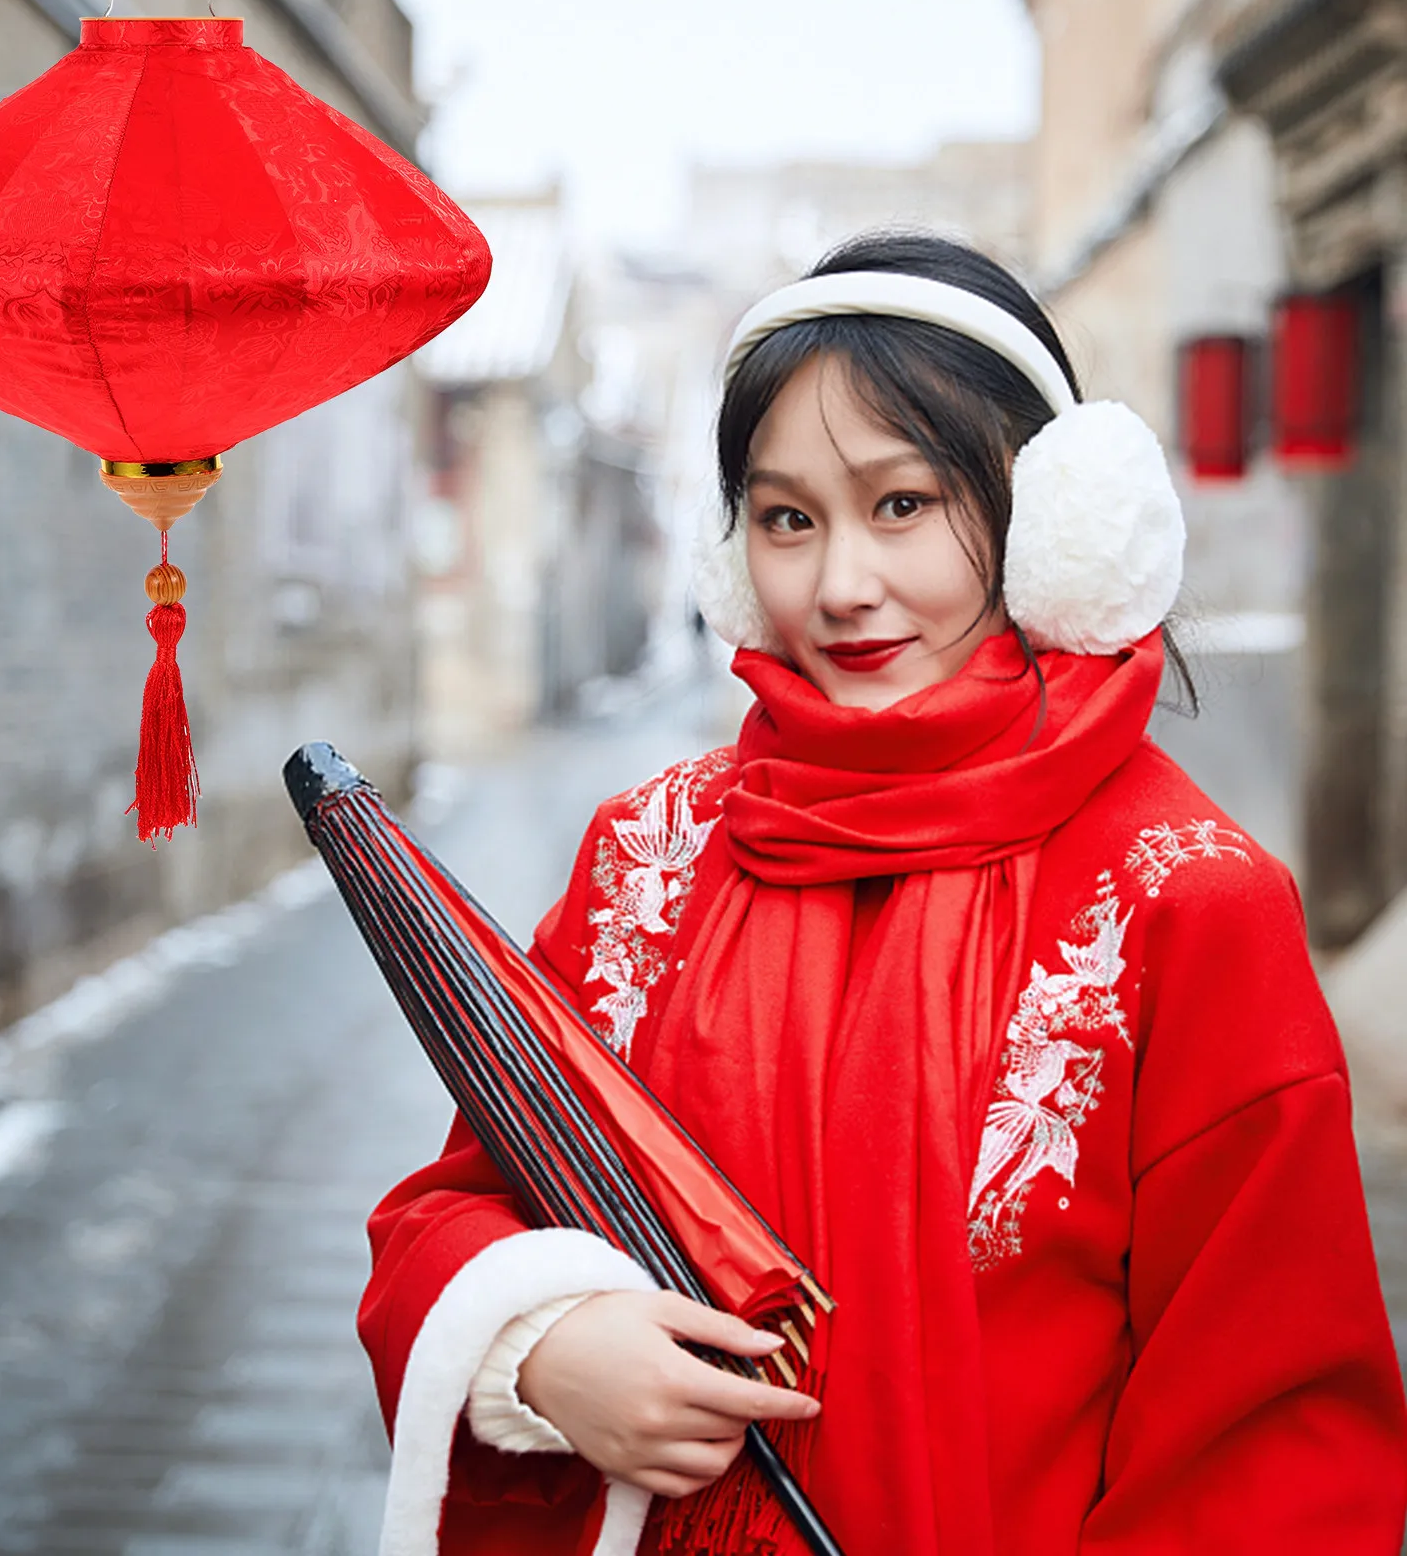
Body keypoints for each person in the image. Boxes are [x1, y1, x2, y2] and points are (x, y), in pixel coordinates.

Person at [358, 233, 1407, 1556]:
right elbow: (457, 1203)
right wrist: (542, 1341)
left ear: (1047, 522)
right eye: (789, 519)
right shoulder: (652, 853)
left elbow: (1269, 1440)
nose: (842, 586)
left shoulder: (1182, 900)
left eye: (901, 504)